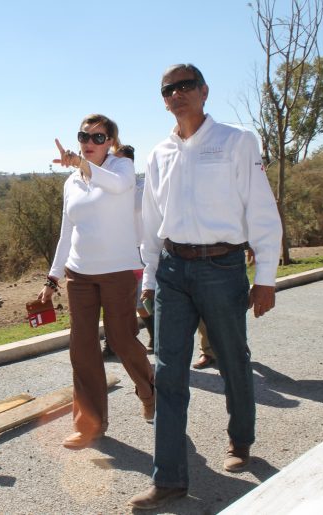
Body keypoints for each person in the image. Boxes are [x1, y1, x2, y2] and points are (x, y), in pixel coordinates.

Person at [129, 64, 282, 510]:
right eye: (168, 89)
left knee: (233, 359)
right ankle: (170, 479)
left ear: (203, 91)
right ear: (163, 99)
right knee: (170, 373)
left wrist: (266, 278)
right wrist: (150, 279)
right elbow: (152, 223)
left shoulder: (236, 141)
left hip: (223, 267)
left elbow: (261, 210)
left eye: (184, 86)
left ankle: (241, 439)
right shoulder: (160, 153)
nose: (176, 94)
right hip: (173, 270)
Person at [38, 114, 155, 450]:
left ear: (111, 142)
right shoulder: (71, 183)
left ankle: (148, 388)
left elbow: (117, 187)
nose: (89, 143)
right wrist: (53, 277)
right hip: (80, 275)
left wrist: (81, 164)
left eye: (98, 138)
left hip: (118, 272)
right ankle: (90, 425)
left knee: (121, 339)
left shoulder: (121, 169)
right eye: (84, 136)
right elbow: (67, 232)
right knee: (82, 348)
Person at [101, 144, 155, 358]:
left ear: (129, 163)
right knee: (110, 299)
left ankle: (155, 334)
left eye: (119, 160)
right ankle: (111, 343)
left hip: (141, 251)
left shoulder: (144, 187)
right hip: (115, 252)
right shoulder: (109, 189)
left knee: (141, 301)